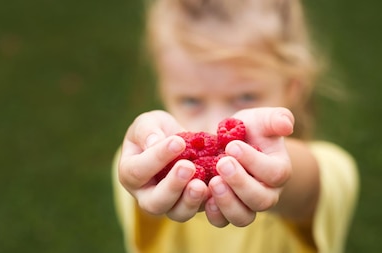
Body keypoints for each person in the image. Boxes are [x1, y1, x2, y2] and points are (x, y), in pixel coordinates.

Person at [112, 0, 359, 252]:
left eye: (245, 97)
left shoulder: (333, 168)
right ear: (163, 89)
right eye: (191, 100)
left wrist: (275, 175)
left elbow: (302, 187)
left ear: (291, 89)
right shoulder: (136, 163)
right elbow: (143, 188)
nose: (214, 125)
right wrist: (149, 160)